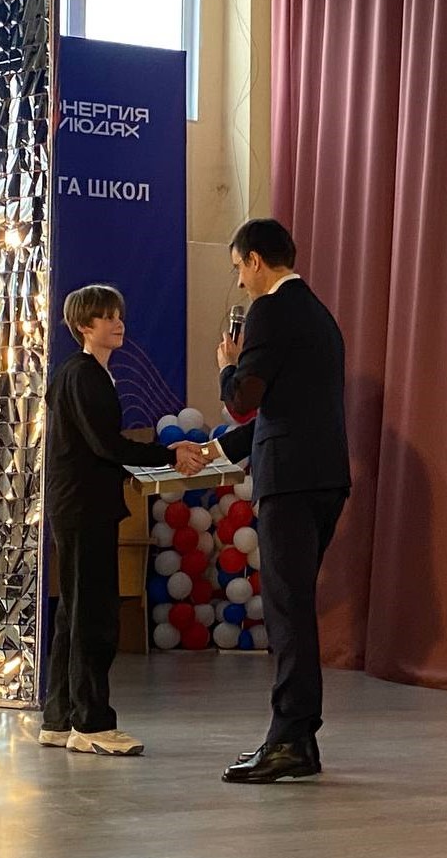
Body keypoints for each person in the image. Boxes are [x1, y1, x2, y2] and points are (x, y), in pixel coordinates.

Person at [201, 218, 350, 782]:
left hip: (288, 481)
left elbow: (244, 401)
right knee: (296, 607)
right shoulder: (319, 314)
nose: (240, 282)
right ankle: (299, 740)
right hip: (324, 477)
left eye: (239, 268)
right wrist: (216, 450)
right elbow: (285, 410)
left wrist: (227, 366)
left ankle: (289, 739)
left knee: (288, 612)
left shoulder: (269, 311)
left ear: (256, 261)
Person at [39, 284, 204, 756]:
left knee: (74, 612)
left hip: (78, 505)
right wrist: (169, 454)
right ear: (83, 326)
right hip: (84, 507)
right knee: (93, 616)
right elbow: (107, 445)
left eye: (118, 315)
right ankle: (91, 723)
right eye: (106, 317)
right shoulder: (85, 375)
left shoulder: (83, 374)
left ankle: (60, 717)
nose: (118, 323)